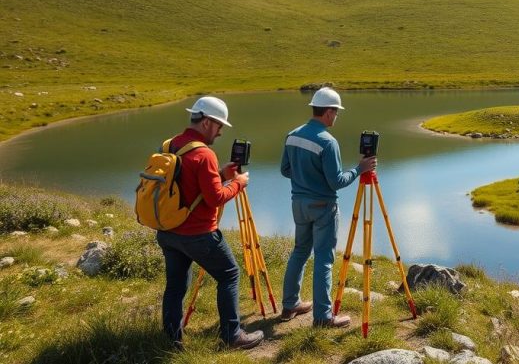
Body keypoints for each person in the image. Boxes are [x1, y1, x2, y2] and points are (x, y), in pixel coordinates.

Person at [155, 96, 264, 350]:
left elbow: (186, 185)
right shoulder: (204, 154)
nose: (221, 131)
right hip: (198, 234)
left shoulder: (171, 145)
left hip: (168, 231)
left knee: (175, 285)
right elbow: (215, 198)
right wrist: (237, 183)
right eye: (218, 125)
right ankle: (232, 335)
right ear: (205, 122)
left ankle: (172, 339)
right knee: (229, 274)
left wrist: (220, 175)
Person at [279, 87, 376, 327]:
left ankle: (290, 305)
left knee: (300, 252)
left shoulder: (292, 135)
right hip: (323, 206)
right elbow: (337, 182)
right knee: (324, 259)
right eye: (336, 112)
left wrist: (305, 178)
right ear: (329, 112)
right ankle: (323, 317)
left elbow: (285, 169)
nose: (336, 117)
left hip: (298, 204)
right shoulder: (328, 142)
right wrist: (359, 169)